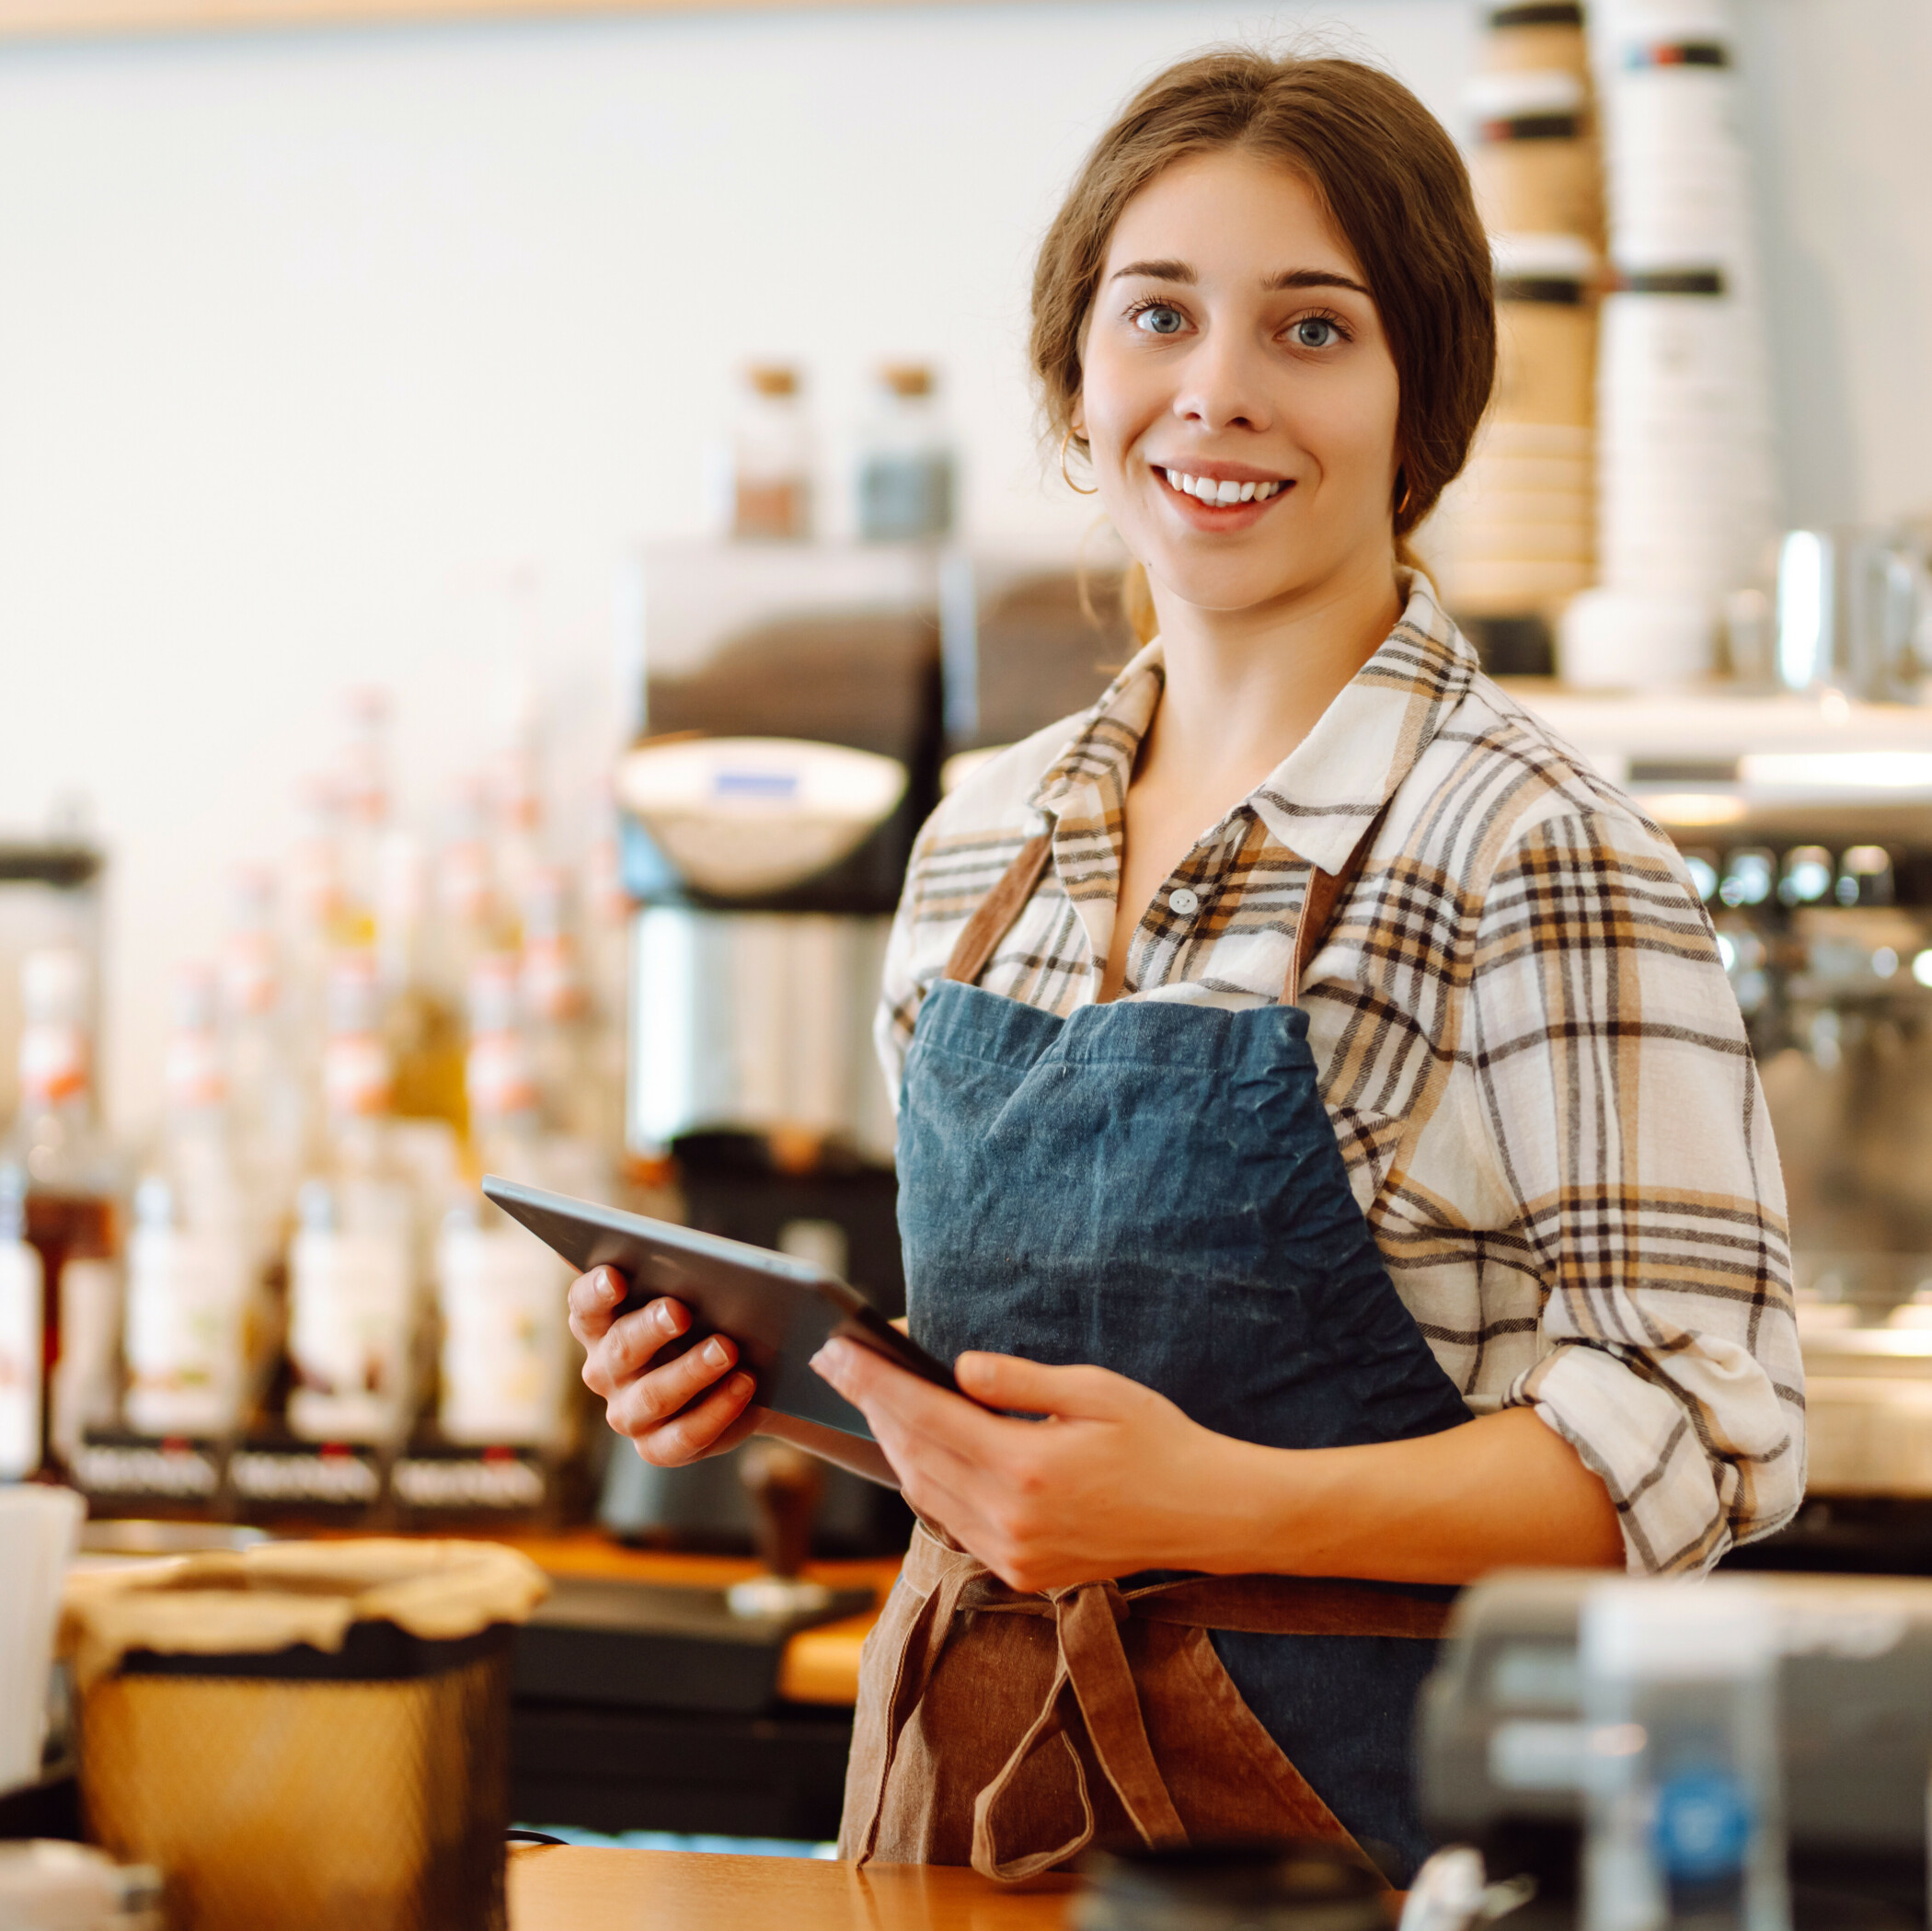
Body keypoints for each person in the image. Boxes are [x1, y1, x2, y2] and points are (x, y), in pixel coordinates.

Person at [569, 48, 1802, 1885]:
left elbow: (1713, 1429)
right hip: (954, 1824)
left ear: (1423, 403)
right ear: (1081, 375)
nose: (1215, 392)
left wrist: (1227, 1504)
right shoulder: (979, 850)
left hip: (1368, 1856)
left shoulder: (1530, 848)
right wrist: (788, 1391)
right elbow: (1022, 1432)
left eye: (1311, 331)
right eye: (1160, 316)